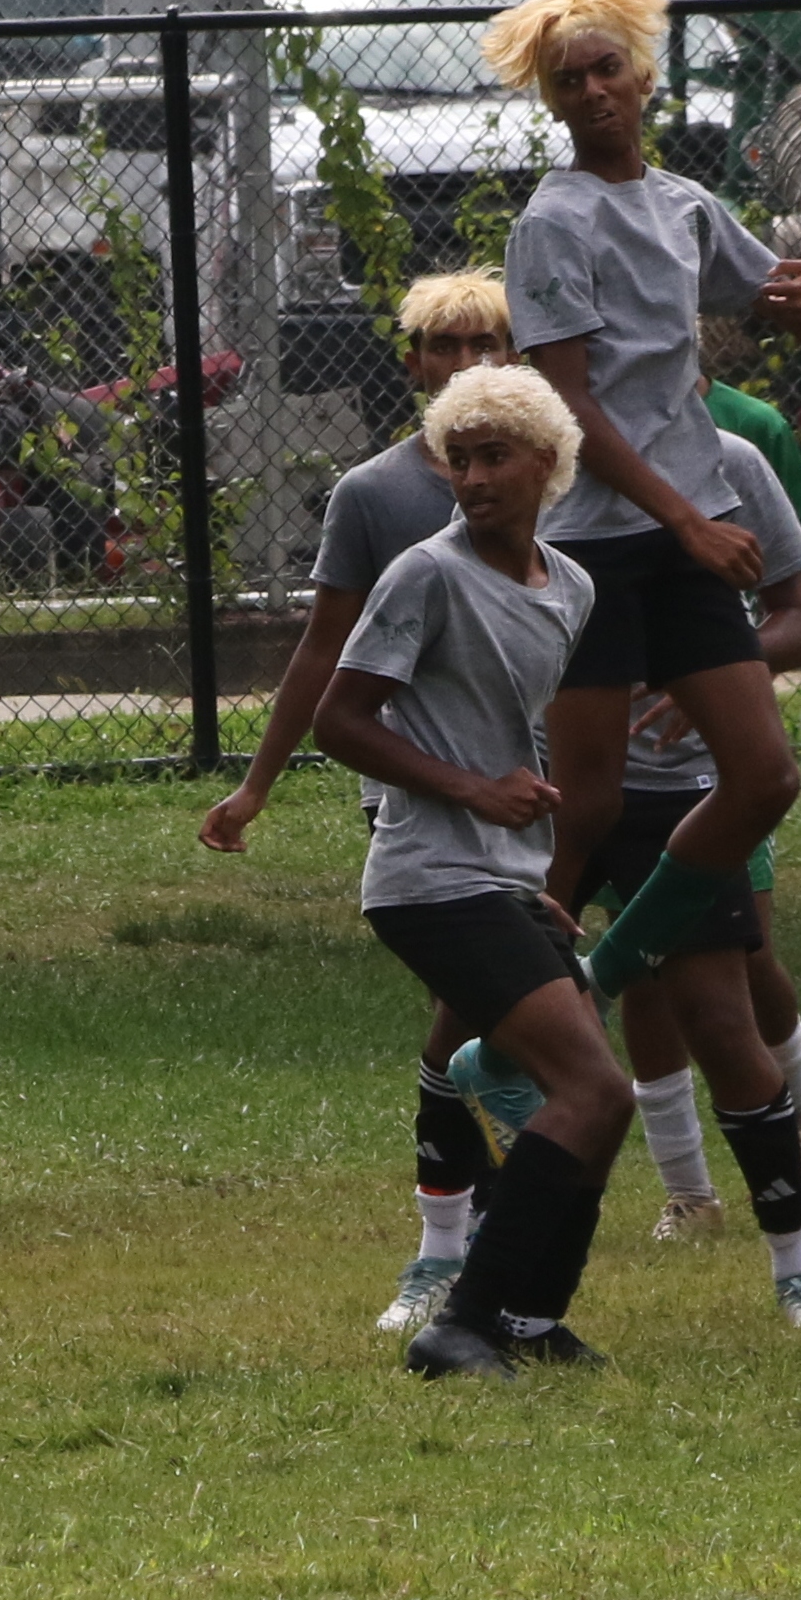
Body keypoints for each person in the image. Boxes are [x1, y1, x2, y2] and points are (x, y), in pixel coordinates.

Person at [483, 0, 801, 1003]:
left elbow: (799, 310)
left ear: (644, 78)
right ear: (553, 102)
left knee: (765, 776)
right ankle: (493, 1018)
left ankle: (604, 972)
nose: (593, 92)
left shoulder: (685, 205)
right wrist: (689, 518)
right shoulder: (553, 223)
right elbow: (568, 406)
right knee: (589, 806)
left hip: (688, 529)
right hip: (598, 544)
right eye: (570, 82)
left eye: (607, 70)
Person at [316, 365, 670, 1376]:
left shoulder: (573, 587)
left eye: (494, 457)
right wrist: (473, 792)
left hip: (497, 879)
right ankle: (463, 1320)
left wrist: (536, 886)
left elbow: (516, 738)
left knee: (600, 1098)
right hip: (427, 879)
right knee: (590, 1089)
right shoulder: (424, 574)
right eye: (458, 459)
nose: (472, 478)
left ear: (548, 464)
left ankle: (526, 1319)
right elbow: (340, 719)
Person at [198, 268, 518, 1333]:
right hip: (424, 797)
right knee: (465, 1009)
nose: (466, 363)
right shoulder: (376, 496)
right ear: (413, 362)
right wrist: (257, 784)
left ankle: (512, 1221)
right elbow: (324, 650)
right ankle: (445, 1246)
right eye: (445, 345)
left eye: (486, 343)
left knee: (534, 1010)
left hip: (539, 793)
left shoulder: (555, 480)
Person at [586, 420, 801, 1320]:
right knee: (516, 1010)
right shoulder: (534, 465)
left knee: (731, 993)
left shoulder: (732, 459)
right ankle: (457, 1252)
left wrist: (704, 675)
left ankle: (798, 1216)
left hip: (692, 787)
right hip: (562, 787)